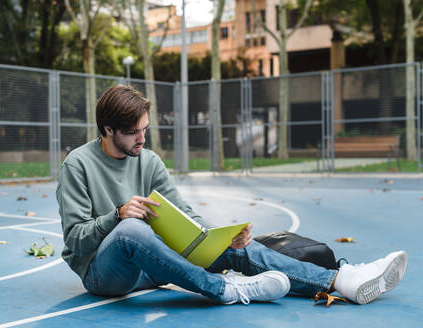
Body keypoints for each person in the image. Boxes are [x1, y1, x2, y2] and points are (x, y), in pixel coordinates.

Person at [56, 85, 408, 305]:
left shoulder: (148, 160)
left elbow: (185, 214)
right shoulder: (78, 165)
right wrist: (117, 215)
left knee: (236, 245)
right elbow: (75, 242)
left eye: (146, 130)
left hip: (157, 264)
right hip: (106, 275)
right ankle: (226, 290)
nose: (142, 139)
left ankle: (340, 280)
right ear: (108, 129)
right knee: (132, 231)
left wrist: (220, 237)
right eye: (134, 133)